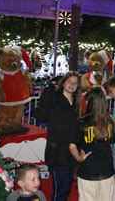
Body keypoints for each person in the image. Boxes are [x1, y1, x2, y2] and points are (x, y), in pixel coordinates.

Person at [37, 71, 82, 201]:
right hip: (56, 152)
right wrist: (50, 88)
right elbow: (43, 114)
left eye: (75, 83)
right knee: (59, 190)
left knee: (66, 187)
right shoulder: (54, 97)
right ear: (63, 83)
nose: (71, 85)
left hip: (70, 152)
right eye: (69, 81)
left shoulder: (76, 102)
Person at [69, 87, 115, 201]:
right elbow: (111, 144)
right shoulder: (109, 122)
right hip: (106, 169)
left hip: (88, 170)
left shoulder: (82, 122)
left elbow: (72, 146)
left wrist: (79, 158)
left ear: (87, 102)